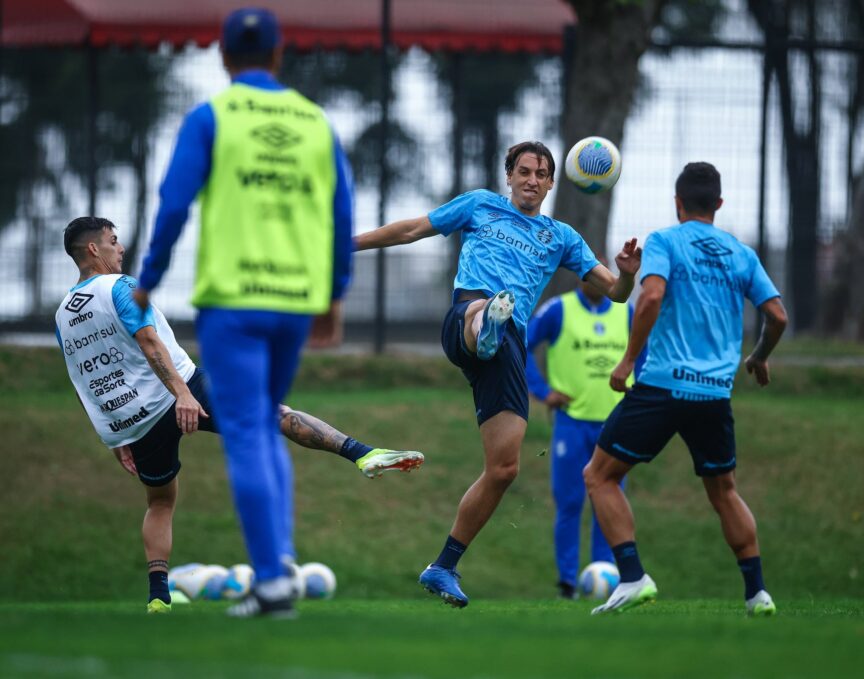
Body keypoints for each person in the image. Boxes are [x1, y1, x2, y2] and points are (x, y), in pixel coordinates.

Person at [55, 217, 424, 614]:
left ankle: (158, 597)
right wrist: (182, 394)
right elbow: (149, 342)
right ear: (93, 249)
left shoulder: (62, 315)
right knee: (271, 414)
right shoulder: (121, 288)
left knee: (160, 502)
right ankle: (362, 454)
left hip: (132, 422)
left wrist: (113, 439)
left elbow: (83, 381)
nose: (120, 247)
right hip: (184, 389)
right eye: (113, 241)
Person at [133, 7, 362, 617]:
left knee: (249, 435)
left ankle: (271, 581)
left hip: (234, 305)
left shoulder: (212, 117)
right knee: (263, 427)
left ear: (225, 58)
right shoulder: (315, 122)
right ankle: (279, 567)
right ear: (279, 56)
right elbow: (342, 218)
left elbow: (174, 202)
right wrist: (334, 295)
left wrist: (148, 280)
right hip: (293, 303)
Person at [354, 140, 641, 607]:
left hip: (509, 348)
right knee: (486, 309)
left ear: (551, 182)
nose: (531, 179)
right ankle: (486, 321)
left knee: (504, 468)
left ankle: (442, 566)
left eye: (541, 173)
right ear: (508, 176)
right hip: (466, 315)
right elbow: (411, 230)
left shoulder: (561, 236)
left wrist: (627, 273)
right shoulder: (479, 205)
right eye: (523, 171)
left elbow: (616, 293)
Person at [582, 162, 787, 617]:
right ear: (718, 204)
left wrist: (629, 359)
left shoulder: (666, 241)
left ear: (678, 204)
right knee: (724, 491)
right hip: (714, 394)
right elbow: (778, 316)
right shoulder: (741, 254)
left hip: (663, 385)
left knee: (599, 475)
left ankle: (633, 577)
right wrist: (758, 356)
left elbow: (651, 297)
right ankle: (757, 593)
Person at [525, 257, 646, 599]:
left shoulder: (627, 313)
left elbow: (646, 355)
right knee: (570, 502)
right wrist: (543, 391)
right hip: (571, 423)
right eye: (592, 276)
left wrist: (639, 396)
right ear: (581, 278)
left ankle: (607, 577)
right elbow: (521, 345)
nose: (598, 281)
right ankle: (567, 583)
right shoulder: (557, 310)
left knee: (608, 502)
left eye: (604, 276)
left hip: (616, 423)